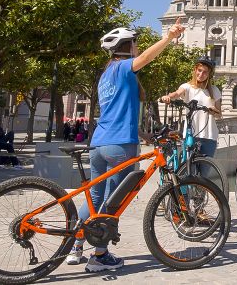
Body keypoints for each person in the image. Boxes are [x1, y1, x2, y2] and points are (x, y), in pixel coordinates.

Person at [66, 19, 186, 272]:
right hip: (120, 146)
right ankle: (99, 255)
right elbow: (145, 58)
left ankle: (76, 246)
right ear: (127, 46)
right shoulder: (123, 67)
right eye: (135, 43)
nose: (137, 47)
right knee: (114, 202)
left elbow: (115, 113)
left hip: (99, 143)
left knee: (95, 197)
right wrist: (169, 37)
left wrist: (143, 134)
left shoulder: (106, 75)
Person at [160, 54, 223, 174]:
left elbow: (219, 114)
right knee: (189, 173)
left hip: (209, 136)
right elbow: (177, 93)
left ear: (209, 74)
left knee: (203, 176)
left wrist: (213, 110)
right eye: (199, 70)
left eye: (205, 72)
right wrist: (168, 97)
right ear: (195, 70)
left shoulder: (215, 90)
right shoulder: (187, 87)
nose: (201, 74)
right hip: (190, 135)